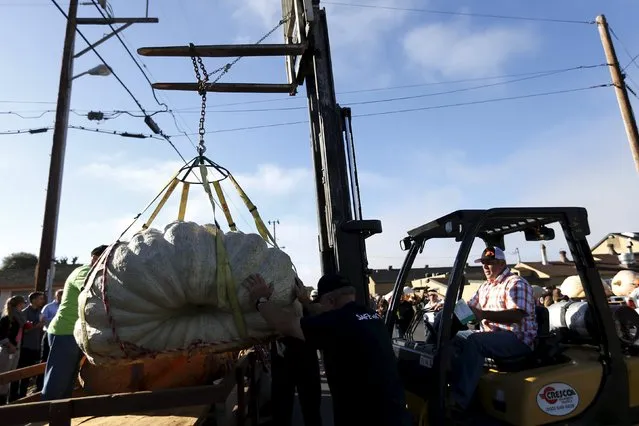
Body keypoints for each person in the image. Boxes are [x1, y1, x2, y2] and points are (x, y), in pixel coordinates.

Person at [245, 273, 411, 426]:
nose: (320, 309)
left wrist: (261, 300)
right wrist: (305, 302)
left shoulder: (336, 323)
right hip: (395, 414)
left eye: (322, 303)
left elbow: (286, 325)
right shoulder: (370, 316)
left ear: (331, 301)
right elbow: (322, 313)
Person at [450, 246, 537, 413]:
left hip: (517, 338)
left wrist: (483, 314)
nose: (485, 266)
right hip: (492, 335)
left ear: (502, 263)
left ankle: (458, 402)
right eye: (483, 263)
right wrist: (449, 310)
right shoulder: (486, 287)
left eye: (490, 262)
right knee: (457, 337)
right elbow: (471, 308)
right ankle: (459, 386)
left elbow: (517, 315)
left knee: (474, 342)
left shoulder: (515, 283)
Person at [42, 245, 107, 401]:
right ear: (95, 258)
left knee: (68, 378)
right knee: (58, 378)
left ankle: (60, 415)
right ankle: (44, 414)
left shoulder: (96, 273)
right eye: (106, 259)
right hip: (64, 331)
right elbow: (92, 288)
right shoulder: (84, 272)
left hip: (75, 333)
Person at [270, 284, 322, 426]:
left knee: (287, 407)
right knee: (305, 408)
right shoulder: (301, 307)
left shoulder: (299, 307)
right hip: (297, 358)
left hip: (291, 358)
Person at [10, 291, 45, 401]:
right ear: (33, 300)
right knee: (19, 372)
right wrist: (36, 326)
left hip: (35, 347)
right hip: (24, 347)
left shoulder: (40, 312)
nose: (42, 301)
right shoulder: (23, 313)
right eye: (40, 299)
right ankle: (13, 397)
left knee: (28, 374)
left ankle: (23, 397)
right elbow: (23, 330)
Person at [0, 295, 27, 405]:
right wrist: (9, 344)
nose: (24, 305)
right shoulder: (7, 318)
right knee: (4, 375)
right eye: (22, 303)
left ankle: (7, 398)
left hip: (17, 348)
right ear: (19, 304)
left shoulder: (20, 317)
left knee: (11, 375)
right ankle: (1, 399)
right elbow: (1, 334)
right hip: (7, 349)